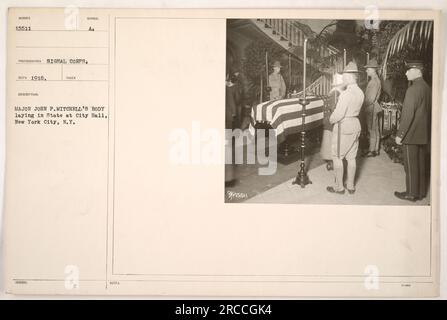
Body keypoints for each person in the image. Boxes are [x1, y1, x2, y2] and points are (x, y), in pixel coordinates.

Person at [394, 60, 431, 202]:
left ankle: (411, 193)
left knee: (410, 166)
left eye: (408, 70)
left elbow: (408, 115)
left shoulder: (413, 89)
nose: (406, 73)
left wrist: (400, 134)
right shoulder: (426, 87)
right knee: (420, 164)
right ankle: (420, 192)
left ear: (417, 71)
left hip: (411, 135)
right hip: (423, 134)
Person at [327, 62, 365, 195]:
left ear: (350, 76)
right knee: (351, 157)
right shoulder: (360, 92)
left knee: (337, 156)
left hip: (343, 127)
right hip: (355, 124)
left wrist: (330, 119)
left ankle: (339, 188)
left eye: (344, 75)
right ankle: (351, 185)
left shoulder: (346, 94)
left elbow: (338, 114)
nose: (343, 78)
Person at [320, 73, 346, 171]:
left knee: (330, 142)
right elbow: (334, 109)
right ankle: (333, 162)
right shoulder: (336, 93)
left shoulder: (333, 92)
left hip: (329, 120)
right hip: (332, 122)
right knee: (332, 142)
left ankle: (332, 162)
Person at [363, 59, 382, 157]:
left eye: (368, 69)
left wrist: (362, 105)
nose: (366, 71)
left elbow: (370, 98)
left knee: (371, 129)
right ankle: (376, 149)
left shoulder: (374, 81)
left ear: (373, 70)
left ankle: (372, 150)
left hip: (371, 108)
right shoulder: (375, 80)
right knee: (375, 129)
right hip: (374, 107)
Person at [225, 74, 239, 188]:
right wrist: (233, 114)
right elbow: (232, 103)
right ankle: (228, 178)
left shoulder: (228, 88)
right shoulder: (228, 88)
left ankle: (228, 178)